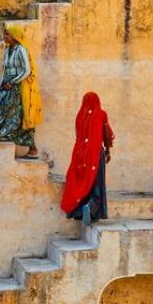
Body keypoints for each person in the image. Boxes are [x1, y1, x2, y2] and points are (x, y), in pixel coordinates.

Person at [0, 24, 43, 158]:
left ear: (14, 36)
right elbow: (5, 69)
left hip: (18, 87)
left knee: (17, 114)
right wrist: (3, 83)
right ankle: (3, 136)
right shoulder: (8, 49)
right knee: (0, 109)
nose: (5, 37)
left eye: (7, 34)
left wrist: (12, 82)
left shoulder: (21, 50)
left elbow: (26, 71)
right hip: (7, 85)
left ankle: (28, 147)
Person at [60, 92, 115, 225]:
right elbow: (107, 135)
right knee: (96, 183)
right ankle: (90, 208)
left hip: (80, 154)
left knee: (82, 183)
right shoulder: (101, 114)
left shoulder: (80, 115)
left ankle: (80, 212)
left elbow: (78, 134)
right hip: (95, 154)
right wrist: (108, 151)